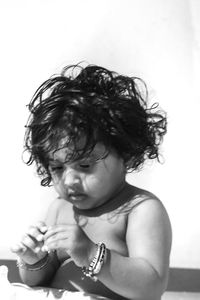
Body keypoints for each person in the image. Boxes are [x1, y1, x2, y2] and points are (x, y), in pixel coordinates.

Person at [11, 64, 172, 300]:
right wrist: (35, 262)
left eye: (85, 166)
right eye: (56, 168)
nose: (69, 180)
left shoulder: (140, 210)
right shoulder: (60, 209)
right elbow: (41, 280)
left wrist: (90, 253)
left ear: (126, 154)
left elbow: (151, 287)